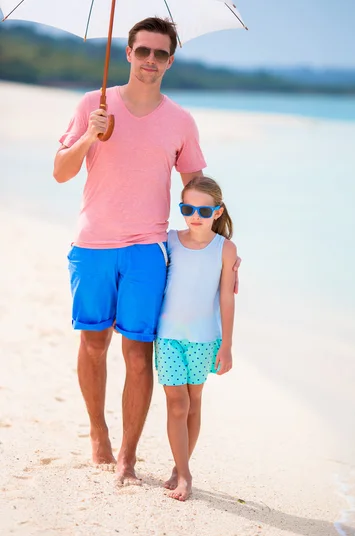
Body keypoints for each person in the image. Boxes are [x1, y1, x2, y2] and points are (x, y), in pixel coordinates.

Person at [53, 17, 239, 486]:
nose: (150, 61)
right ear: (129, 54)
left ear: (170, 61)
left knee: (138, 354)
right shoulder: (92, 106)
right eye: (143, 52)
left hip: (147, 250)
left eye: (160, 54)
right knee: (93, 344)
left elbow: (196, 189)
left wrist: (219, 249)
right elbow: (60, 172)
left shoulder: (180, 120)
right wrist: (89, 136)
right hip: (93, 244)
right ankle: (99, 433)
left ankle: (128, 457)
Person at [155, 176, 236, 501]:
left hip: (204, 339)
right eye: (188, 208)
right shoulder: (169, 240)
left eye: (204, 210)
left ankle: (180, 465)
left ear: (217, 212)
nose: (195, 215)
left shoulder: (225, 249)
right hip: (168, 337)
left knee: (194, 402)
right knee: (178, 403)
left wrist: (227, 345)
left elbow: (227, 298)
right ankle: (185, 474)